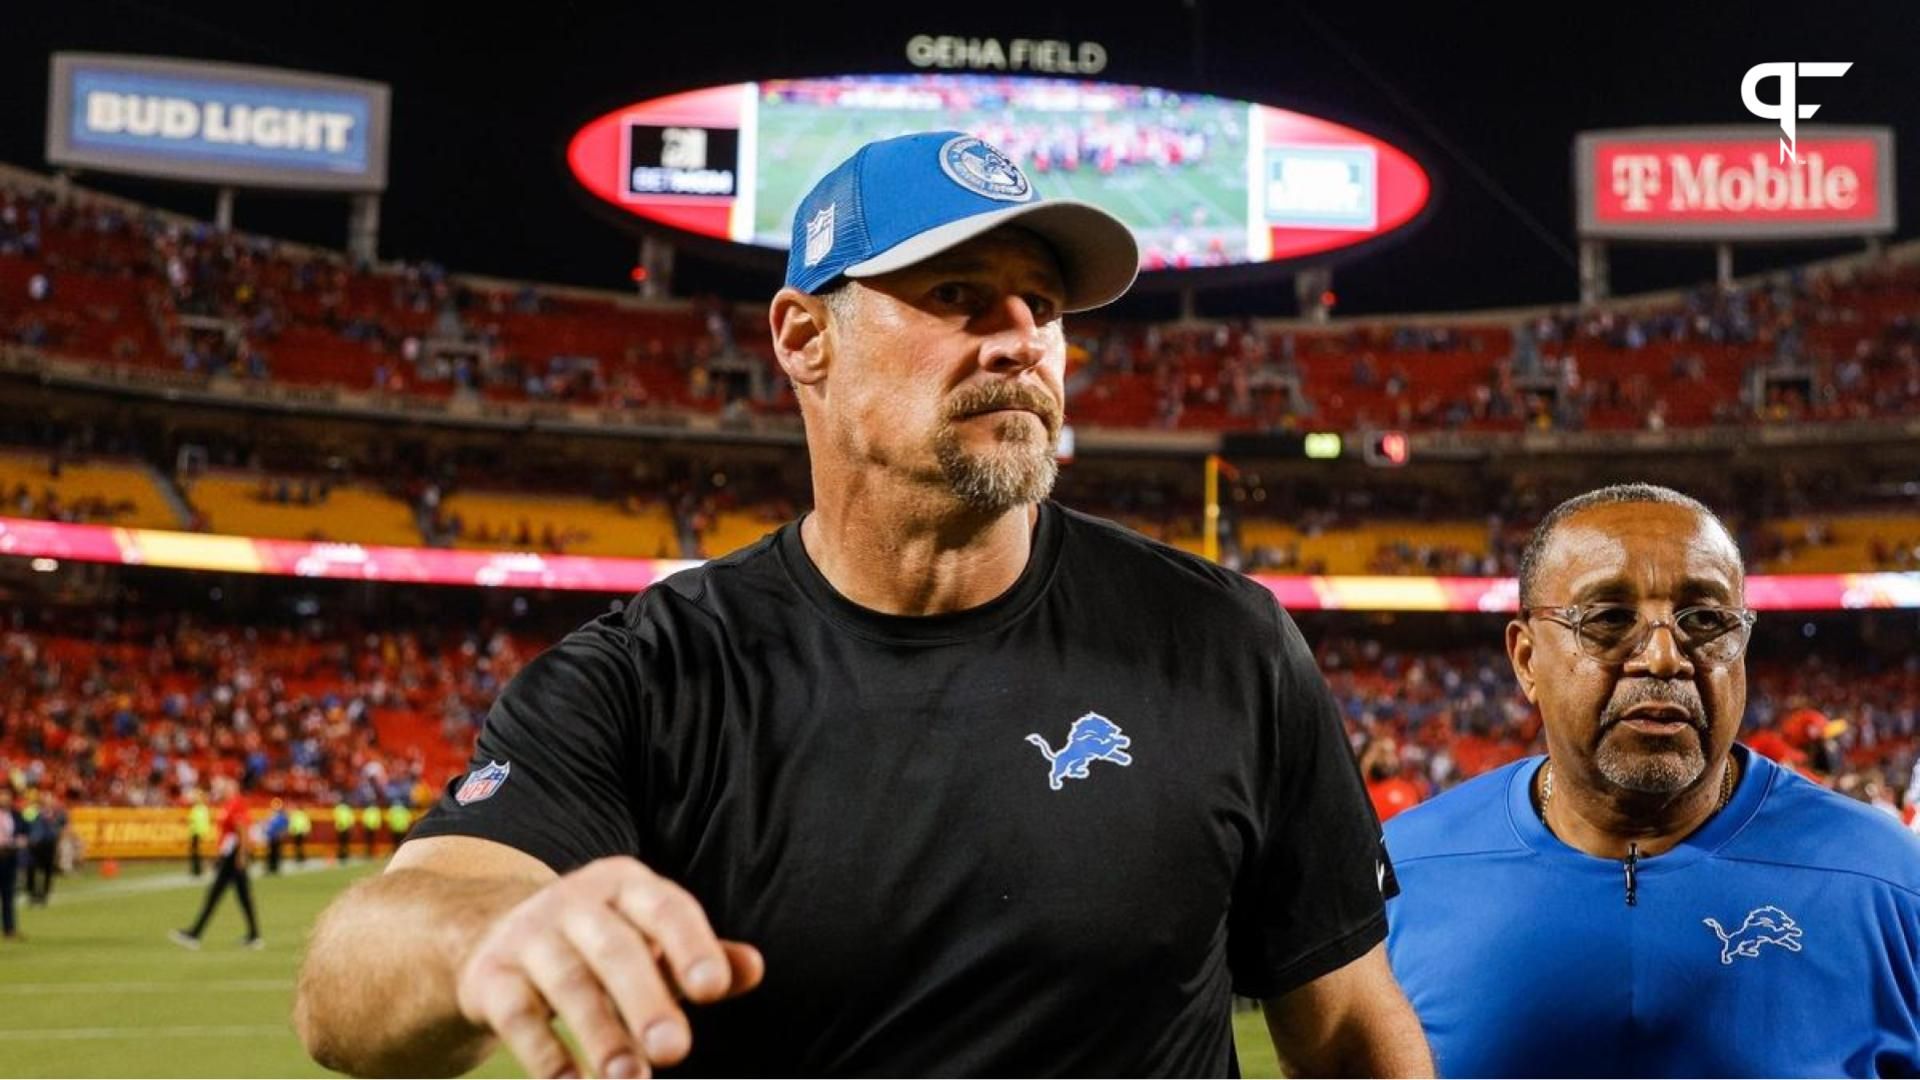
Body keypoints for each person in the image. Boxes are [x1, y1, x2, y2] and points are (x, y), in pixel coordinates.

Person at [297, 131, 1430, 1078]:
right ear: (802, 339)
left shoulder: (1226, 641)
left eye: (1042, 302)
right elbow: (347, 995)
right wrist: (489, 929)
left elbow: (1347, 1025)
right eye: (955, 294)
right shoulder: (646, 678)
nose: (1021, 337)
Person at [1383, 483, 1920, 1077]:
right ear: (1527, 659)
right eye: (1609, 618)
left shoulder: (1889, 880)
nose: (1665, 657)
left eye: (1707, 619)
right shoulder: (1403, 876)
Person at [170, 776, 262, 950]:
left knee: (215, 895)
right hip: (229, 855)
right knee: (241, 896)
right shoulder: (228, 805)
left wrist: (241, 855)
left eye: (225, 787)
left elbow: (242, 829)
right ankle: (254, 935)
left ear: (232, 789)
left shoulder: (236, 804)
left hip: (233, 856)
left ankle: (195, 933)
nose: (221, 790)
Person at [0, 786, 25, 941]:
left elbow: (23, 831)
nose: (4, 798)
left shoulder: (16, 814)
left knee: (8, 895)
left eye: (6, 795)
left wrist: (21, 840)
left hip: (9, 858)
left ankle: (9, 929)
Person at [187, 791, 212, 877]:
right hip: (196, 833)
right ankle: (197, 869)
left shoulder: (200, 809)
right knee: (196, 852)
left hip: (198, 833)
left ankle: (198, 870)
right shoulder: (200, 809)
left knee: (197, 852)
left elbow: (195, 821)